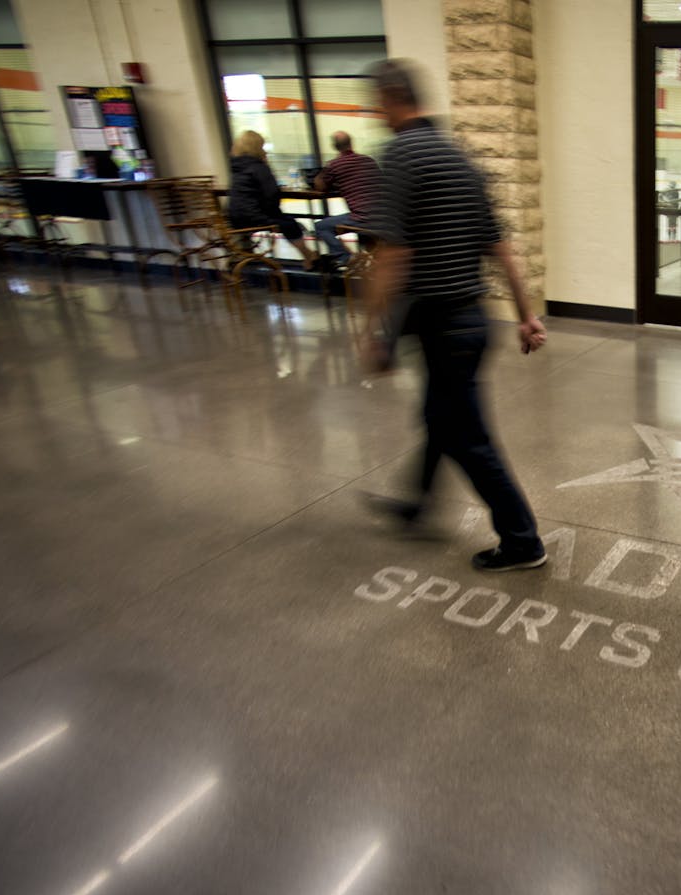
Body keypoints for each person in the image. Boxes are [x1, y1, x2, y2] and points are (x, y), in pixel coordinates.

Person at [363, 59, 548, 573]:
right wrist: (526, 316)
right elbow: (502, 250)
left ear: (391, 99)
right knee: (439, 418)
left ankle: (522, 540)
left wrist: (373, 331)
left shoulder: (400, 155)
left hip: (442, 326)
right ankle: (417, 505)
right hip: (472, 322)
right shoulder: (460, 159)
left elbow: (393, 255)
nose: (374, 112)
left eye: (376, 102)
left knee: (467, 437)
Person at [227, 130, 319, 269]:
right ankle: (308, 257)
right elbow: (272, 194)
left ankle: (309, 255)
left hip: (235, 217)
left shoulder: (236, 167)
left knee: (285, 221)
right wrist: (274, 212)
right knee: (289, 224)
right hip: (253, 217)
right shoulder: (258, 167)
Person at [313, 131, 381, 268]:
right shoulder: (369, 160)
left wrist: (322, 174)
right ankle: (371, 260)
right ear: (351, 143)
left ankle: (345, 257)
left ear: (334, 146)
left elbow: (320, 186)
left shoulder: (335, 165)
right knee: (364, 229)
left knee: (320, 227)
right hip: (381, 215)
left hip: (361, 218)